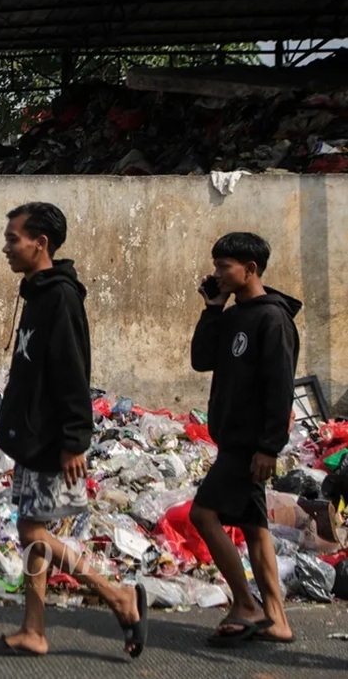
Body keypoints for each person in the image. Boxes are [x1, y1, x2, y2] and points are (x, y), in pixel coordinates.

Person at [0, 202, 147, 659]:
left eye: (14, 238)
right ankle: (33, 629)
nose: (7, 247)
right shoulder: (36, 292)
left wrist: (75, 440)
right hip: (32, 435)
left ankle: (116, 596)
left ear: (41, 243)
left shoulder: (61, 298)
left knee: (33, 531)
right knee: (33, 531)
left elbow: (73, 372)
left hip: (52, 438)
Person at [189, 232, 301, 646]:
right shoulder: (234, 314)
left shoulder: (273, 319)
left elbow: (280, 387)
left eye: (224, 267)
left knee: (203, 515)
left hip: (248, 445)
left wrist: (269, 446)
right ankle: (277, 618)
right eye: (216, 265)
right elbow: (202, 360)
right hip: (233, 439)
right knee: (255, 528)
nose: (217, 273)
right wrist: (213, 309)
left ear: (250, 269)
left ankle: (244, 603)